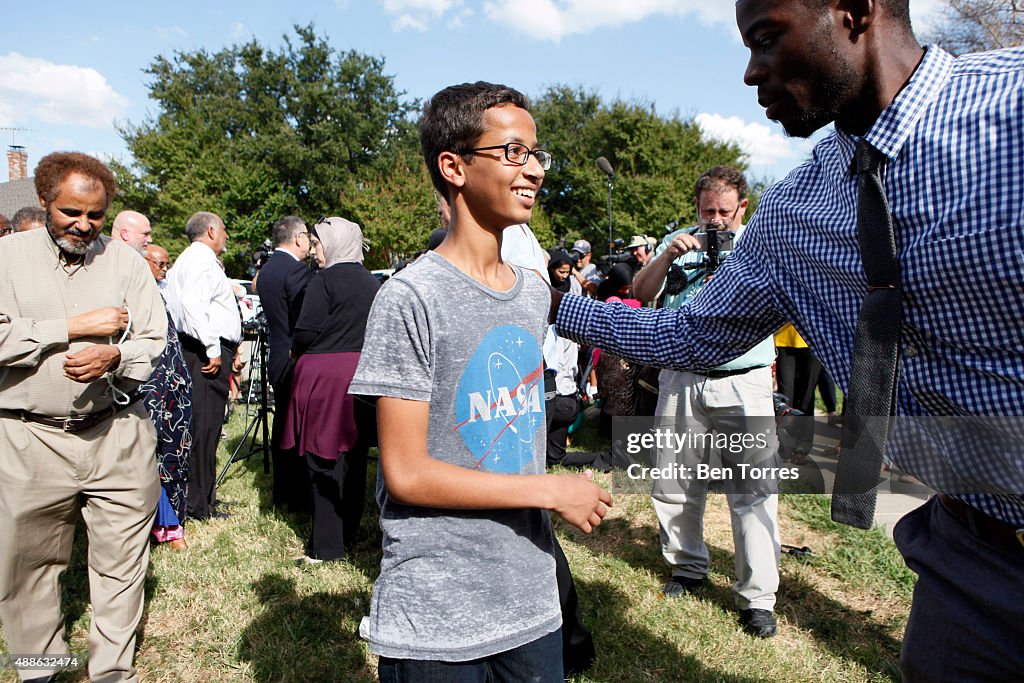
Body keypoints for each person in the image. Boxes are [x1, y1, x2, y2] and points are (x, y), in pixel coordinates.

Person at [552, 1, 1023, 678]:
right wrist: (555, 305)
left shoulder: (1012, 108)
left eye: (767, 39)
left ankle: (759, 595)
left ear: (854, 12)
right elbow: (689, 330)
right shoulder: (793, 213)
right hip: (965, 558)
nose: (750, 72)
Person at [349, 81, 611, 683]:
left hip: (532, 603)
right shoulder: (410, 298)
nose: (535, 171)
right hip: (437, 615)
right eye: (513, 153)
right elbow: (407, 473)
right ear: (454, 166)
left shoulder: (533, 292)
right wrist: (550, 491)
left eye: (537, 154)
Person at [0, 152, 166, 682]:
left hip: (116, 431)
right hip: (29, 438)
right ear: (45, 201)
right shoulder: (7, 258)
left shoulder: (125, 263)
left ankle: (111, 672)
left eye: (96, 215)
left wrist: (116, 355)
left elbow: (154, 341)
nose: (84, 225)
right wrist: (71, 327)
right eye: (71, 212)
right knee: (25, 570)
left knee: (121, 566)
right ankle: (38, 671)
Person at [631, 165, 780, 637]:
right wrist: (667, 255)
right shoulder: (678, 241)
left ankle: (757, 598)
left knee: (753, 491)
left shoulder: (761, 244)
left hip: (744, 379)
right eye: (705, 211)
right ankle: (687, 568)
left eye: (723, 211)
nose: (714, 220)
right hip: (680, 376)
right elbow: (639, 292)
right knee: (675, 480)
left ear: (742, 207)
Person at [284, 216, 378, 563]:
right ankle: (349, 534)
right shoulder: (373, 283)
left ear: (335, 243)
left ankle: (326, 547)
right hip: (363, 378)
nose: (315, 250)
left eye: (320, 243)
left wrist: (296, 349)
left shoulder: (323, 282)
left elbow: (306, 331)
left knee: (323, 462)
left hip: (326, 382)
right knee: (353, 459)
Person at [165, 211, 242, 522]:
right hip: (203, 351)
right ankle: (198, 504)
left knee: (208, 428)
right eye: (223, 230)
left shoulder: (191, 260)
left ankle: (205, 498)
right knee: (204, 428)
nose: (225, 236)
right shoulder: (199, 260)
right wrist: (213, 348)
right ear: (211, 231)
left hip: (202, 349)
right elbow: (193, 307)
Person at [254, 215, 313, 513]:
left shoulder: (266, 271)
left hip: (276, 353)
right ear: (298, 238)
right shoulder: (297, 271)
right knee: (297, 426)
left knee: (282, 424)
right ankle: (297, 494)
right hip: (294, 356)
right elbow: (304, 320)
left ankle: (281, 490)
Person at [138, 241, 193, 551]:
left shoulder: (158, 294)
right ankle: (161, 525)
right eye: (159, 264)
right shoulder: (132, 297)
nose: (164, 270)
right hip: (147, 390)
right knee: (149, 457)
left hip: (171, 391)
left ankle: (171, 525)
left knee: (171, 458)